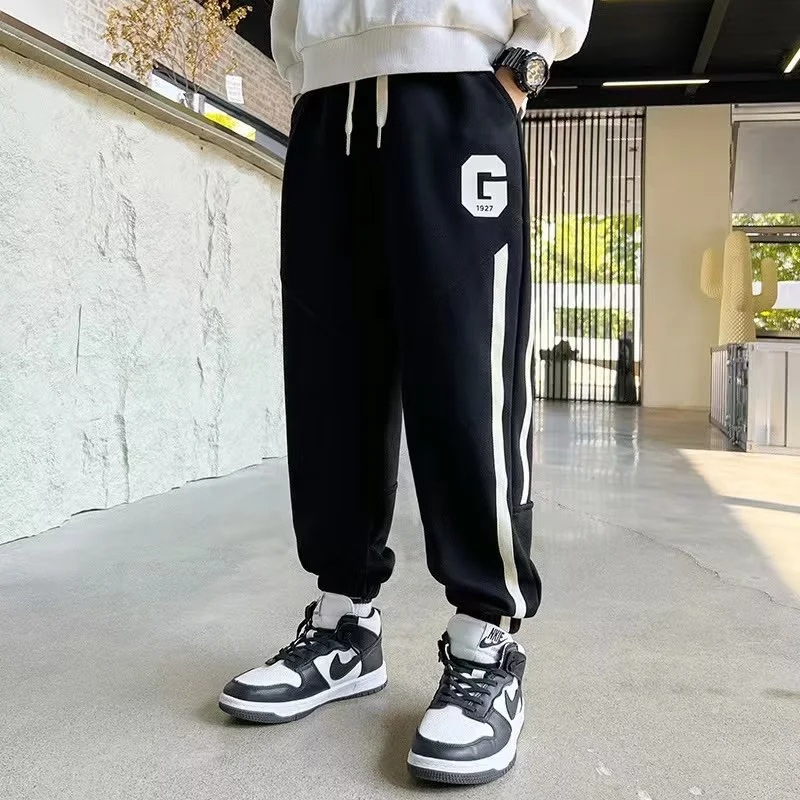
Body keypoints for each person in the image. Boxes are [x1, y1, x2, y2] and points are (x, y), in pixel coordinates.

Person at [219, 0, 593, 785]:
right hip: (328, 100)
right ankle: (345, 625)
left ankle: (487, 640)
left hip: (457, 83)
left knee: (466, 371)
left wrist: (526, 59)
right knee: (330, 376)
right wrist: (308, 70)